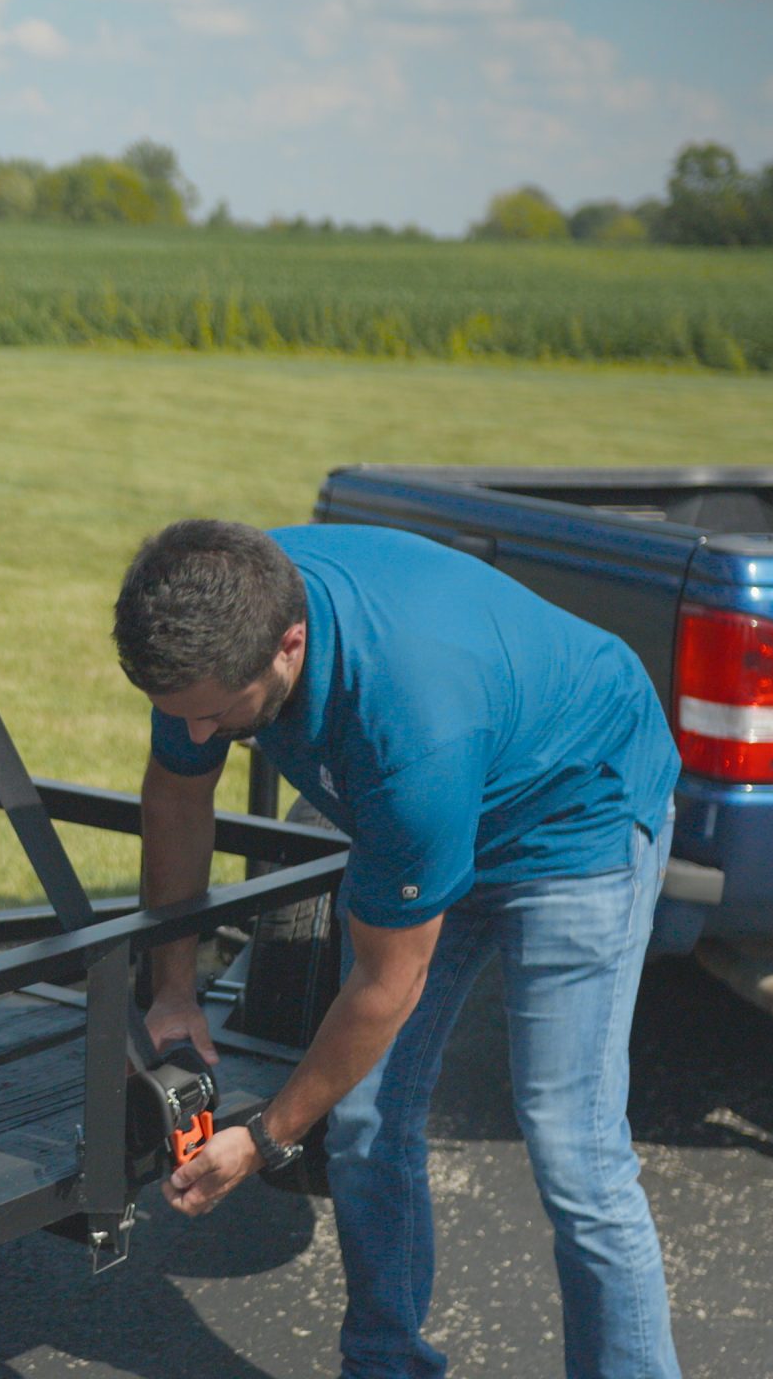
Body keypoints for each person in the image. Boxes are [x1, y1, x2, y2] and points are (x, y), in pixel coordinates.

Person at [115, 519, 683, 1379]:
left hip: (573, 818)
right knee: (366, 1122)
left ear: (289, 646)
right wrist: (173, 988)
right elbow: (176, 800)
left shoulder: (406, 731)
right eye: (178, 715)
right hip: (445, 794)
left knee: (577, 1157)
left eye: (215, 717)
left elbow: (388, 985)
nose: (196, 736)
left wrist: (264, 1138)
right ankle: (386, 1365)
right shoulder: (214, 614)